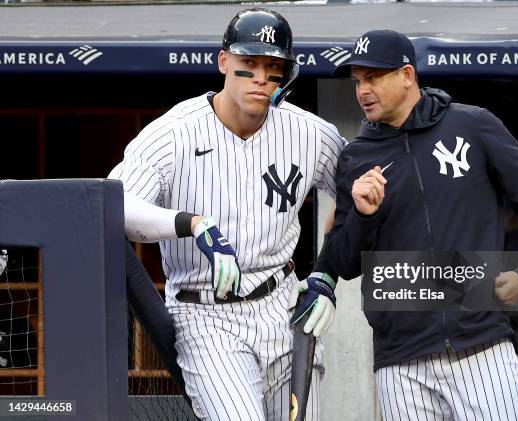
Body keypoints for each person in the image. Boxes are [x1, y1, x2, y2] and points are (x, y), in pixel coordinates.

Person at [109, 8, 345, 421]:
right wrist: (192, 224)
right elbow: (117, 206)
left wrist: (326, 271)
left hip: (283, 304)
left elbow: (359, 192)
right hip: (205, 314)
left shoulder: (311, 132)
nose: (260, 78)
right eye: (248, 64)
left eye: (273, 68)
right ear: (224, 62)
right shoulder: (174, 132)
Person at [326, 30, 518, 421]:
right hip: (400, 362)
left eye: (373, 77)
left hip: (482, 349)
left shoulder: (473, 125)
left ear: (406, 75)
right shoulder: (355, 158)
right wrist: (364, 216)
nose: (363, 89)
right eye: (357, 80)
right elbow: (342, 261)